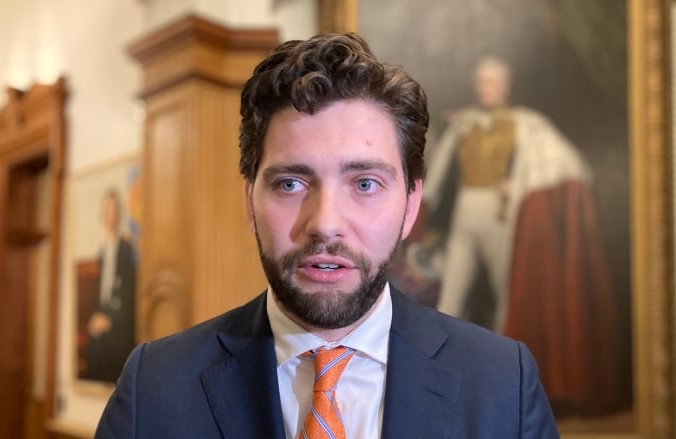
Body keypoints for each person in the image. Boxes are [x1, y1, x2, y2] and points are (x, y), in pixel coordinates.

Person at [96, 33, 558, 438]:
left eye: (364, 184)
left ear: (411, 205)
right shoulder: (154, 388)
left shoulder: (502, 384)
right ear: (249, 202)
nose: (325, 223)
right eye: (290, 183)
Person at [424, 56, 626, 416]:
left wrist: (516, 184)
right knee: (450, 301)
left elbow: (559, 164)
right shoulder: (463, 125)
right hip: (465, 218)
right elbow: (437, 177)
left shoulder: (527, 125)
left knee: (511, 301)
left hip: (504, 219)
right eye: (482, 80)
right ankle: (433, 387)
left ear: (505, 85)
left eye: (493, 81)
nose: (486, 87)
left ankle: (509, 390)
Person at [83, 189, 137, 382]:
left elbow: (129, 296)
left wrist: (110, 320)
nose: (110, 216)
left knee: (107, 347)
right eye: (107, 211)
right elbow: (100, 295)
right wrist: (97, 317)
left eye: (114, 211)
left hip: (120, 321)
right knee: (93, 344)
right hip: (104, 315)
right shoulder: (103, 251)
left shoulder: (126, 248)